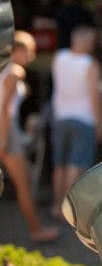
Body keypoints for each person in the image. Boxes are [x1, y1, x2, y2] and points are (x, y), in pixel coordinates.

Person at [0, 31, 60, 242]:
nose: (32, 57)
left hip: (7, 129)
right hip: (7, 130)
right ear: (17, 50)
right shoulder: (15, 71)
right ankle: (36, 230)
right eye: (30, 51)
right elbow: (6, 109)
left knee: (22, 180)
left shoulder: (4, 68)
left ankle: (36, 228)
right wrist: (4, 140)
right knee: (23, 184)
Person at [50, 25, 102, 218]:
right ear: (88, 43)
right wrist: (101, 123)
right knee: (76, 164)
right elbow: (95, 97)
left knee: (59, 165)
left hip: (61, 116)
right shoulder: (90, 64)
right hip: (83, 118)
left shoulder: (59, 58)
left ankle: (56, 206)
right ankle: (68, 210)